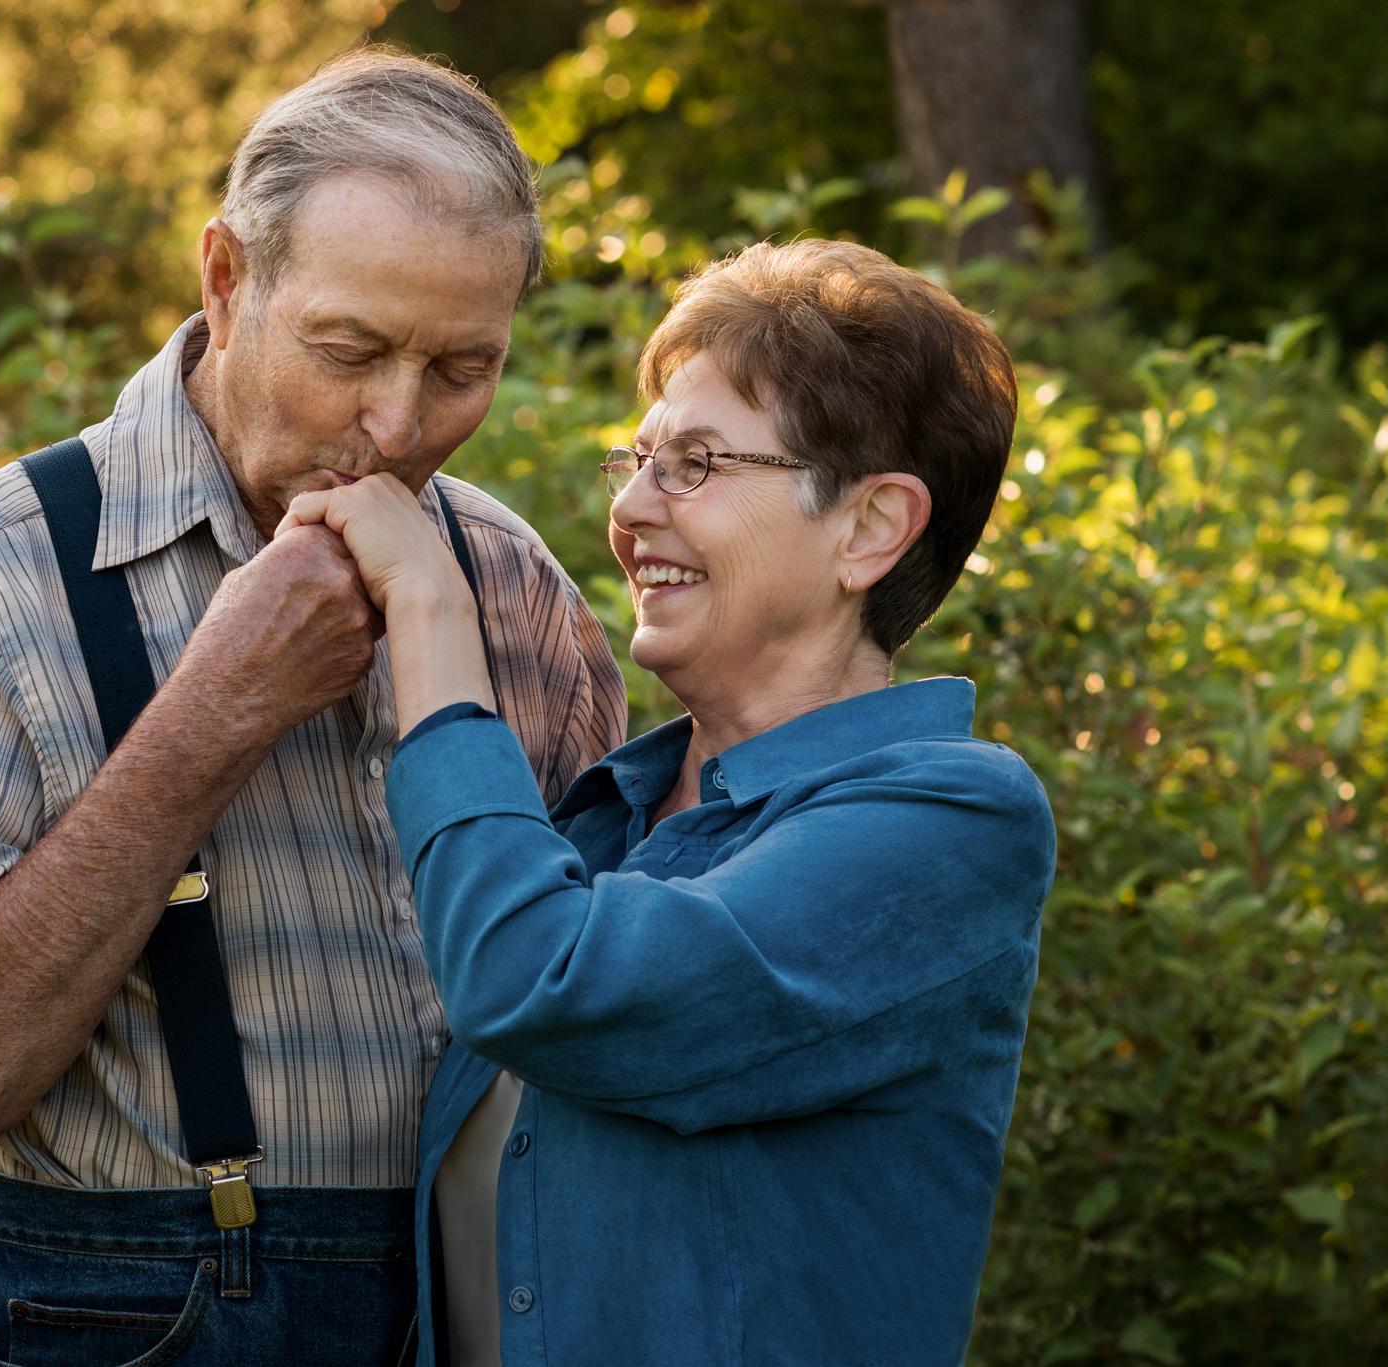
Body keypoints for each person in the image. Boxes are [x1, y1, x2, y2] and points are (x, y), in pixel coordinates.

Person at [0, 50, 626, 1367]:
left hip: (467, 1301)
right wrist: (216, 706)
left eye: (460, 367)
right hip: (95, 1313)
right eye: (349, 348)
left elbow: (588, 1007)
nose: (397, 421)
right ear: (226, 278)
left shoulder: (515, 582)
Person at [281, 238, 1057, 1365]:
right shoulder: (597, 815)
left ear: (869, 527)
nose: (632, 509)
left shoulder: (951, 823)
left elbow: (543, 982)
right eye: (635, 461)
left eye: (694, 463)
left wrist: (431, 621)